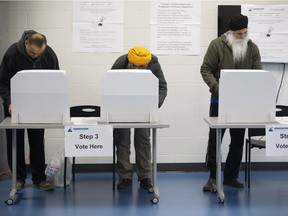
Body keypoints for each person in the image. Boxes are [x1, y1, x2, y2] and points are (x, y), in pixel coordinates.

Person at [200, 14, 262, 191]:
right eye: (239, 34)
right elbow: (205, 70)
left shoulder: (252, 48)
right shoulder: (217, 45)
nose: (243, 37)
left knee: (238, 140)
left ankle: (230, 176)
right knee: (215, 139)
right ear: (231, 33)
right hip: (219, 100)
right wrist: (217, 88)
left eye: (245, 33)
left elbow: (258, 73)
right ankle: (212, 177)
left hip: (242, 104)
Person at [0, 30, 60, 191]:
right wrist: (9, 102)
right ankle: (18, 179)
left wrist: (53, 102)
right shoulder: (12, 54)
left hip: (38, 105)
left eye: (39, 53)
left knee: (37, 142)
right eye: (33, 53)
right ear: (26, 43)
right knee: (15, 142)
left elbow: (56, 79)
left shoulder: (48, 54)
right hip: (15, 105)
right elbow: (3, 82)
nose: (36, 56)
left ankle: (39, 179)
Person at [111, 46, 167, 192]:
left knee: (143, 140)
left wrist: (154, 105)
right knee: (122, 139)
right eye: (133, 66)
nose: (136, 69)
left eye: (141, 67)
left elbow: (162, 86)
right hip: (122, 105)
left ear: (147, 64)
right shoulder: (120, 63)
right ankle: (125, 176)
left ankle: (145, 177)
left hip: (144, 105)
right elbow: (110, 84)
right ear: (129, 61)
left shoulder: (154, 64)